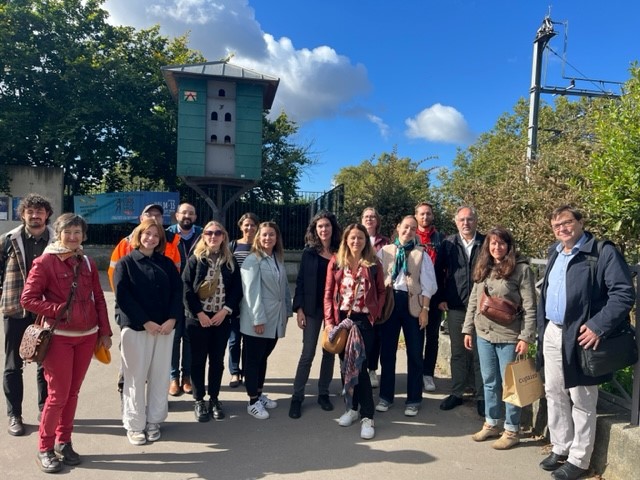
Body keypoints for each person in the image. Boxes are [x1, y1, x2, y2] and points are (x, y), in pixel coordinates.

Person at [536, 206, 634, 480]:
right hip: (553, 332)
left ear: (580, 222)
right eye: (556, 226)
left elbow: (623, 294)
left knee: (581, 398)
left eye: (567, 223)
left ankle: (579, 459)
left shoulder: (601, 252)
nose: (562, 229)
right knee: (554, 391)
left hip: (581, 336)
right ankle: (561, 446)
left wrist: (597, 326)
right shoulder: (555, 251)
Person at [21, 213, 112, 473]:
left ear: (83, 236)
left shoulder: (87, 262)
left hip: (86, 337)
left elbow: (99, 298)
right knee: (57, 395)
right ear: (58, 233)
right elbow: (28, 299)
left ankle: (64, 441)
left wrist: (104, 331)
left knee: (72, 393)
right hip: (59, 337)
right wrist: (58, 309)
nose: (73, 237)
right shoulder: (45, 262)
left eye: (77, 232)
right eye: (67, 232)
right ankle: (45, 447)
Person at [462, 227, 537, 450]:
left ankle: (512, 430)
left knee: (511, 385)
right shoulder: (484, 268)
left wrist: (526, 336)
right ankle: (491, 423)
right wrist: (468, 329)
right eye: (493, 244)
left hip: (510, 335)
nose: (497, 247)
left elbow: (531, 306)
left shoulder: (521, 270)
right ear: (488, 246)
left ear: (509, 246)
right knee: (489, 381)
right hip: (484, 333)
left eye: (501, 244)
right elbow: (474, 302)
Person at [113, 219, 183, 446]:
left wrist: (172, 318)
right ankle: (134, 425)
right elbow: (123, 297)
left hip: (165, 329)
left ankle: (154, 421)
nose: (151, 238)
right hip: (136, 329)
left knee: (160, 376)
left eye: (156, 235)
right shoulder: (126, 263)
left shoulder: (167, 263)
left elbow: (177, 293)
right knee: (134, 378)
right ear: (139, 235)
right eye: (147, 234)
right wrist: (145, 322)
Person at [108, 204, 181, 395]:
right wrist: (139, 318)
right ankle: (128, 395)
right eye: (149, 215)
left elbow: (176, 287)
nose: (151, 238)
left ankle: (155, 410)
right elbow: (119, 286)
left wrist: (171, 317)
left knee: (157, 369)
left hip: (162, 320)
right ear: (141, 221)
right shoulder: (125, 250)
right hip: (134, 319)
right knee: (134, 369)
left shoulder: (169, 251)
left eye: (158, 215)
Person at [324, 223, 385, 440]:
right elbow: (329, 293)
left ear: (365, 241)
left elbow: (380, 291)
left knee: (360, 367)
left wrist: (374, 315)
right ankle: (352, 408)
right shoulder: (336, 262)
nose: (356, 242)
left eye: (360, 238)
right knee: (345, 366)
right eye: (352, 238)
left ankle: (367, 416)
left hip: (363, 322)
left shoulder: (373, 263)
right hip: (342, 320)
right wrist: (330, 322)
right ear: (346, 241)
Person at [1, 194, 53, 438]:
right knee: (13, 364)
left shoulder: (57, 241)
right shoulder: (8, 241)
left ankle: (45, 411)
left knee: (46, 363)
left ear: (47, 215)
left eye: (40, 211)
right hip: (15, 310)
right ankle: (15, 414)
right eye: (30, 211)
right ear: (22, 214)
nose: (35, 215)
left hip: (47, 312)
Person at [376, 215, 437, 417]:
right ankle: (386, 396)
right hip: (390, 304)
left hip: (413, 305)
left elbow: (429, 284)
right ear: (398, 228)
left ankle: (413, 399)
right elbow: (375, 279)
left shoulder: (421, 254)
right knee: (387, 353)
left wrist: (425, 310)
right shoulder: (384, 251)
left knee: (414, 353)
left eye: (412, 228)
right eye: (405, 227)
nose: (408, 231)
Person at [182, 221, 242, 422]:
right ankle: (199, 399)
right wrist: (199, 313)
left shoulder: (230, 261)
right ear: (204, 236)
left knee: (217, 361)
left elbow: (236, 290)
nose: (213, 236)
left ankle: (214, 398)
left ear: (223, 236)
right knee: (198, 361)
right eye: (209, 233)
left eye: (218, 233)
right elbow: (187, 289)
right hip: (198, 319)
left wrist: (225, 311)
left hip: (220, 319)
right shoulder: (196, 260)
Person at [289, 211, 342, 419]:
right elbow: (300, 281)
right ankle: (297, 397)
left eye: (327, 226)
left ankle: (323, 393)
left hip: (333, 310)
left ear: (332, 228)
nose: (323, 229)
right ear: (315, 229)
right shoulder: (309, 252)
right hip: (311, 309)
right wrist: (299, 309)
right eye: (320, 226)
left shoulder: (340, 252)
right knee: (308, 353)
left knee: (329, 351)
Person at [435, 206, 486, 414]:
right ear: (456, 222)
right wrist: (440, 298)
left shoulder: (486, 243)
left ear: (476, 221)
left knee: (480, 353)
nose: (466, 223)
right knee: (458, 352)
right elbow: (438, 271)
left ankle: (482, 396)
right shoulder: (448, 244)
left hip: (482, 308)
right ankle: (457, 393)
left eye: (470, 219)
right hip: (455, 305)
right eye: (462, 220)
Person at [239, 221, 291, 420]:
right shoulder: (253, 260)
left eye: (271, 235)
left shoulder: (277, 258)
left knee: (262, 358)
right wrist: (258, 319)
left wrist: (287, 311)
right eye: (264, 235)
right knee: (253, 360)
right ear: (258, 238)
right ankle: (252, 401)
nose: (268, 238)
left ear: (277, 238)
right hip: (259, 320)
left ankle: (259, 394)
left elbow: (284, 286)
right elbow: (251, 293)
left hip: (275, 318)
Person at [166, 203, 203, 397]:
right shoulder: (166, 235)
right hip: (171, 294)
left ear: (195, 217)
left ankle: (187, 377)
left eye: (191, 213)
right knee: (174, 337)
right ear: (177, 215)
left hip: (194, 294)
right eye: (184, 212)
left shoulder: (203, 234)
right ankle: (173, 378)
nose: (187, 216)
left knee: (189, 337)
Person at [414, 201, 446, 393]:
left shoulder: (442, 239)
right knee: (416, 337)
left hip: (434, 297)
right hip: (414, 297)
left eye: (428, 214)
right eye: (422, 214)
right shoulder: (410, 235)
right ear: (416, 216)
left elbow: (446, 271)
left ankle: (428, 374)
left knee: (432, 337)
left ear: (433, 216)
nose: (425, 217)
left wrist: (443, 297)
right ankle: (416, 373)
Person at [227, 212, 259, 388]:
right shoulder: (232, 245)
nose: (249, 228)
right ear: (241, 226)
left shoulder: (260, 246)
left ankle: (248, 371)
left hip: (252, 298)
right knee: (233, 339)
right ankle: (234, 372)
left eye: (253, 225)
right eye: (246, 225)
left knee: (249, 338)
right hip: (234, 297)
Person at [360, 207, 389, 389]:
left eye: (372, 217)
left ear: (377, 221)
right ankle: (353, 373)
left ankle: (371, 370)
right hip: (357, 296)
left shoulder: (385, 242)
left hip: (377, 294)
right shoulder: (354, 237)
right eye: (366, 216)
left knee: (375, 335)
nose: (369, 219)